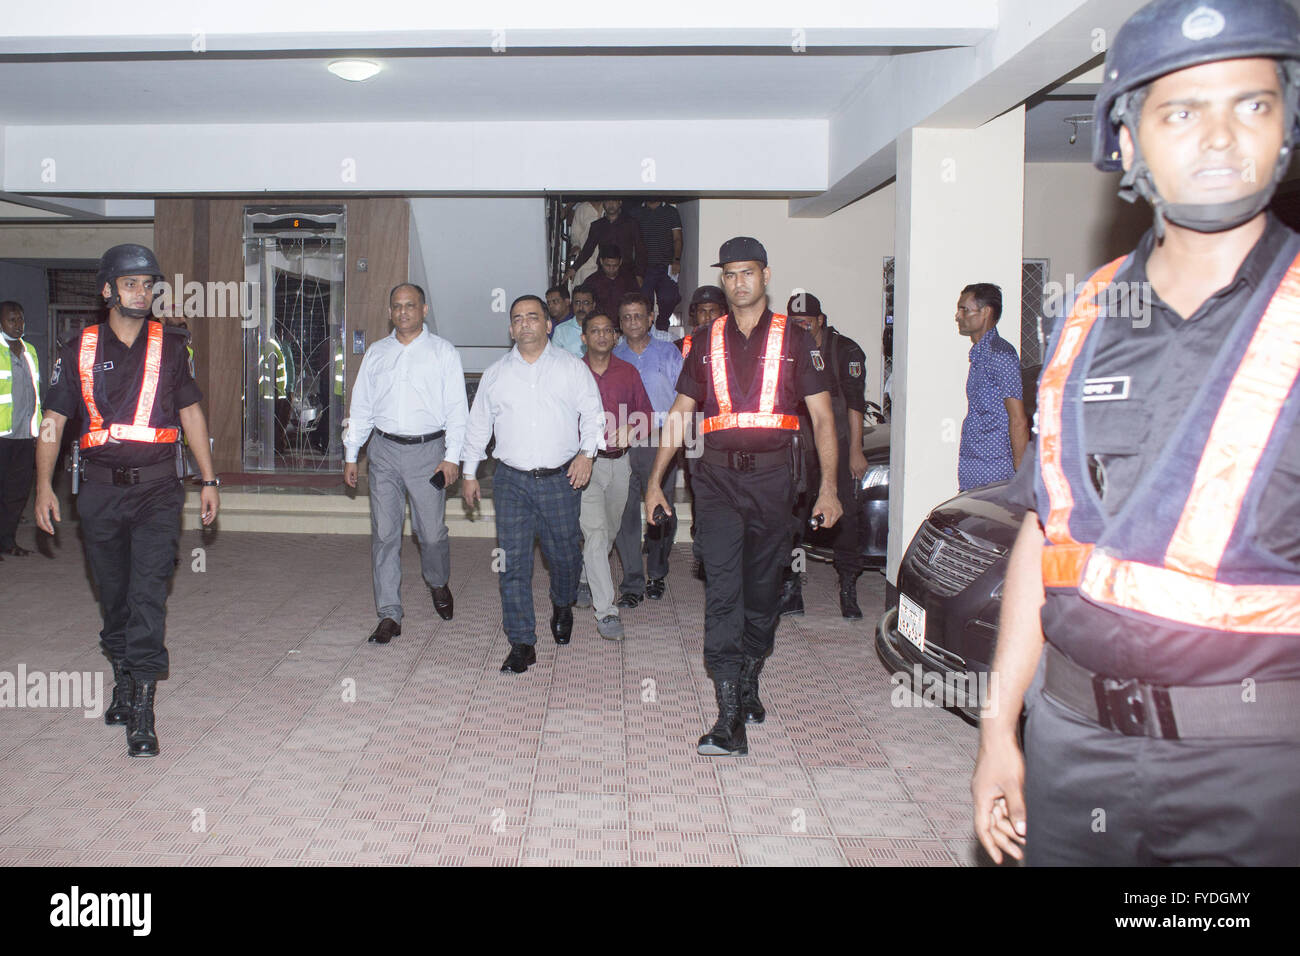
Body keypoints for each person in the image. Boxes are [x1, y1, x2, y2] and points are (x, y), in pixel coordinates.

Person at [972, 0, 1300, 867]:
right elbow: (1046, 534)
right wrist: (1000, 725)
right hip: (1077, 748)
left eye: (1252, 104)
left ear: (1289, 123)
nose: (1221, 138)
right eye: (1181, 111)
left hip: (1260, 770)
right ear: (1125, 140)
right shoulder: (1084, 319)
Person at [644, 237, 843, 757]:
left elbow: (823, 417)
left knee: (762, 594)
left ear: (766, 275)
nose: (737, 283)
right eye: (729, 274)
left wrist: (829, 487)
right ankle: (728, 717)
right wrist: (654, 483)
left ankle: (751, 671)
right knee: (723, 593)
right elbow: (680, 412)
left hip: (776, 482)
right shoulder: (704, 340)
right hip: (715, 483)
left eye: (747, 273)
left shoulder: (796, 339)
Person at [34, 243, 220, 758]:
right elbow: (52, 422)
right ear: (108, 290)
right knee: (113, 595)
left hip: (159, 489)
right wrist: (44, 485)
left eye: (148, 284)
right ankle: (121, 674)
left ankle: (143, 707)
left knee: (148, 594)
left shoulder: (173, 345)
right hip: (96, 492)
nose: (142, 292)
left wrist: (209, 478)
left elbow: (192, 415)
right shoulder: (78, 348)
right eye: (132, 283)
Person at [461, 294, 604, 674]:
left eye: (533, 317)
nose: (525, 324)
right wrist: (469, 472)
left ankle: (562, 602)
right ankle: (522, 642)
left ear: (548, 324)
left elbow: (593, 413)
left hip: (561, 479)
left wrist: (587, 454)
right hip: (511, 482)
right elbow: (478, 426)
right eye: (518, 319)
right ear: (510, 329)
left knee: (565, 557)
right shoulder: (495, 374)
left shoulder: (572, 368)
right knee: (512, 565)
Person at [344, 283, 467, 644]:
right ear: (389, 312)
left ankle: (437, 581)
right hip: (382, 452)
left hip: (429, 455)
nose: (403, 312)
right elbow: (362, 405)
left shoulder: (443, 353)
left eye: (410, 306)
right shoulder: (377, 353)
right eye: (396, 306)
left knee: (430, 535)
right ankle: (389, 613)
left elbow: (458, 410)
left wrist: (452, 457)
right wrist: (353, 454)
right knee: (384, 535)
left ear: (424, 310)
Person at [781, 292, 870, 619]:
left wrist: (856, 450)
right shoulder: (787, 351)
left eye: (807, 321)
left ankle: (848, 585)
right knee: (793, 517)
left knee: (845, 517)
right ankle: (792, 586)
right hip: (799, 449)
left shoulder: (845, 350)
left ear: (821, 320)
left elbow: (855, 403)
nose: (801, 327)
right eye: (795, 322)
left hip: (839, 446)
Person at [579, 310, 655, 640]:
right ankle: (607, 611)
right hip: (586, 464)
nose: (600, 335)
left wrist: (632, 426)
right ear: (584, 338)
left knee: (609, 530)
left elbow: (648, 416)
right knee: (596, 533)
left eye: (606, 330)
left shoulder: (628, 372)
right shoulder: (572, 373)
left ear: (615, 337)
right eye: (593, 331)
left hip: (620, 463)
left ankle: (585, 577)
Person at [612, 292, 683, 605]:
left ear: (651, 318)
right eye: (626, 317)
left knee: (661, 511)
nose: (632, 322)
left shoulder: (669, 354)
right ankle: (631, 583)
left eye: (638, 316)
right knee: (623, 513)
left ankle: (657, 572)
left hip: (660, 444)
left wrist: (659, 428)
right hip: (624, 447)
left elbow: (685, 400)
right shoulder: (614, 356)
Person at [955, 282, 1029, 491]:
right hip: (974, 464)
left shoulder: (1000, 355)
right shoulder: (981, 355)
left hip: (995, 467)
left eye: (965, 310)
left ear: (986, 312)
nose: (958, 316)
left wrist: (1021, 475)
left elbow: (1018, 419)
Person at [678, 286, 728, 579]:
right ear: (693, 315)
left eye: (714, 311)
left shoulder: (734, 342)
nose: (708, 316)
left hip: (725, 428)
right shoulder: (680, 346)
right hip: (694, 428)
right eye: (702, 311)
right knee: (700, 488)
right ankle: (704, 547)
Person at [0, 301, 40, 557]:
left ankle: (7, 541)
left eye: (21, 320)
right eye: (12, 320)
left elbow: (36, 394)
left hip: (25, 436)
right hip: (1, 435)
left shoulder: (30, 351)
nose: (18, 325)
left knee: (17, 493)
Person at [630, 199, 684, 331]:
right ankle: (647, 332)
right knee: (644, 303)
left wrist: (676, 260)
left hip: (666, 266)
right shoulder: (636, 212)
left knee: (670, 298)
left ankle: (662, 325)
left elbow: (677, 238)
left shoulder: (671, 212)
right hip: (644, 268)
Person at [567, 199, 647, 286]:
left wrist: (639, 274)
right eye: (608, 201)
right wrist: (573, 268)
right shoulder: (597, 225)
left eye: (614, 201)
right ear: (603, 204)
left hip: (626, 272)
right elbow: (587, 250)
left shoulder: (631, 223)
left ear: (620, 202)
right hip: (603, 273)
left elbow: (640, 250)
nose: (611, 204)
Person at [585, 245, 640, 327]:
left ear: (620, 262)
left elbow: (638, 304)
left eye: (615, 265)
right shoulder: (592, 281)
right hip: (600, 327)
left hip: (625, 327)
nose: (611, 269)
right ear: (601, 261)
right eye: (607, 265)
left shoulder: (629, 280)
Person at [567, 199, 603, 289]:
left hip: (606, 259)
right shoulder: (582, 208)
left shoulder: (610, 205)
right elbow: (575, 234)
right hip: (585, 259)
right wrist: (576, 245)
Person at [547, 284, 584, 357]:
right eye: (548, 303)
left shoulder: (577, 321)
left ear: (567, 302)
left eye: (555, 302)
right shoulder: (548, 324)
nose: (550, 306)